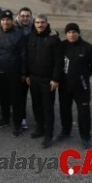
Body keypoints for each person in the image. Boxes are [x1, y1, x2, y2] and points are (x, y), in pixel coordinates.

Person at [58, 23, 92, 149]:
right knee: (64, 109)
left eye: (74, 32)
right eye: (69, 32)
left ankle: (85, 137)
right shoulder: (61, 46)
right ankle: (66, 131)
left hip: (82, 87)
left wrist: (83, 76)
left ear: (78, 33)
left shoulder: (88, 48)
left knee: (84, 113)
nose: (71, 34)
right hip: (64, 85)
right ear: (66, 34)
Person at [25, 14, 62, 149]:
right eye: (37, 22)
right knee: (36, 105)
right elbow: (28, 57)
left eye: (42, 22)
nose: (40, 25)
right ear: (34, 24)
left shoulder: (54, 39)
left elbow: (59, 61)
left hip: (48, 80)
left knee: (48, 107)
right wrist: (27, 74)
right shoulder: (31, 37)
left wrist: (56, 79)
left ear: (47, 23)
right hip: (33, 78)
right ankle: (40, 128)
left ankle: (48, 135)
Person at [0, 10, 27, 138]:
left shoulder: (19, 35)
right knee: (2, 98)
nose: (5, 22)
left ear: (12, 21)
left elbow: (23, 55)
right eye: (3, 20)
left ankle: (17, 124)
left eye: (7, 19)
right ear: (0, 21)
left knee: (16, 100)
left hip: (14, 72)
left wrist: (23, 72)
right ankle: (5, 119)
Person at [16, 7, 34, 130]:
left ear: (31, 17)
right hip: (18, 68)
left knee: (36, 97)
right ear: (18, 17)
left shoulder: (36, 28)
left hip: (34, 68)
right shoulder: (14, 29)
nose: (25, 18)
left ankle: (41, 121)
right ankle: (22, 118)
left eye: (27, 16)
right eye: (22, 16)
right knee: (20, 96)